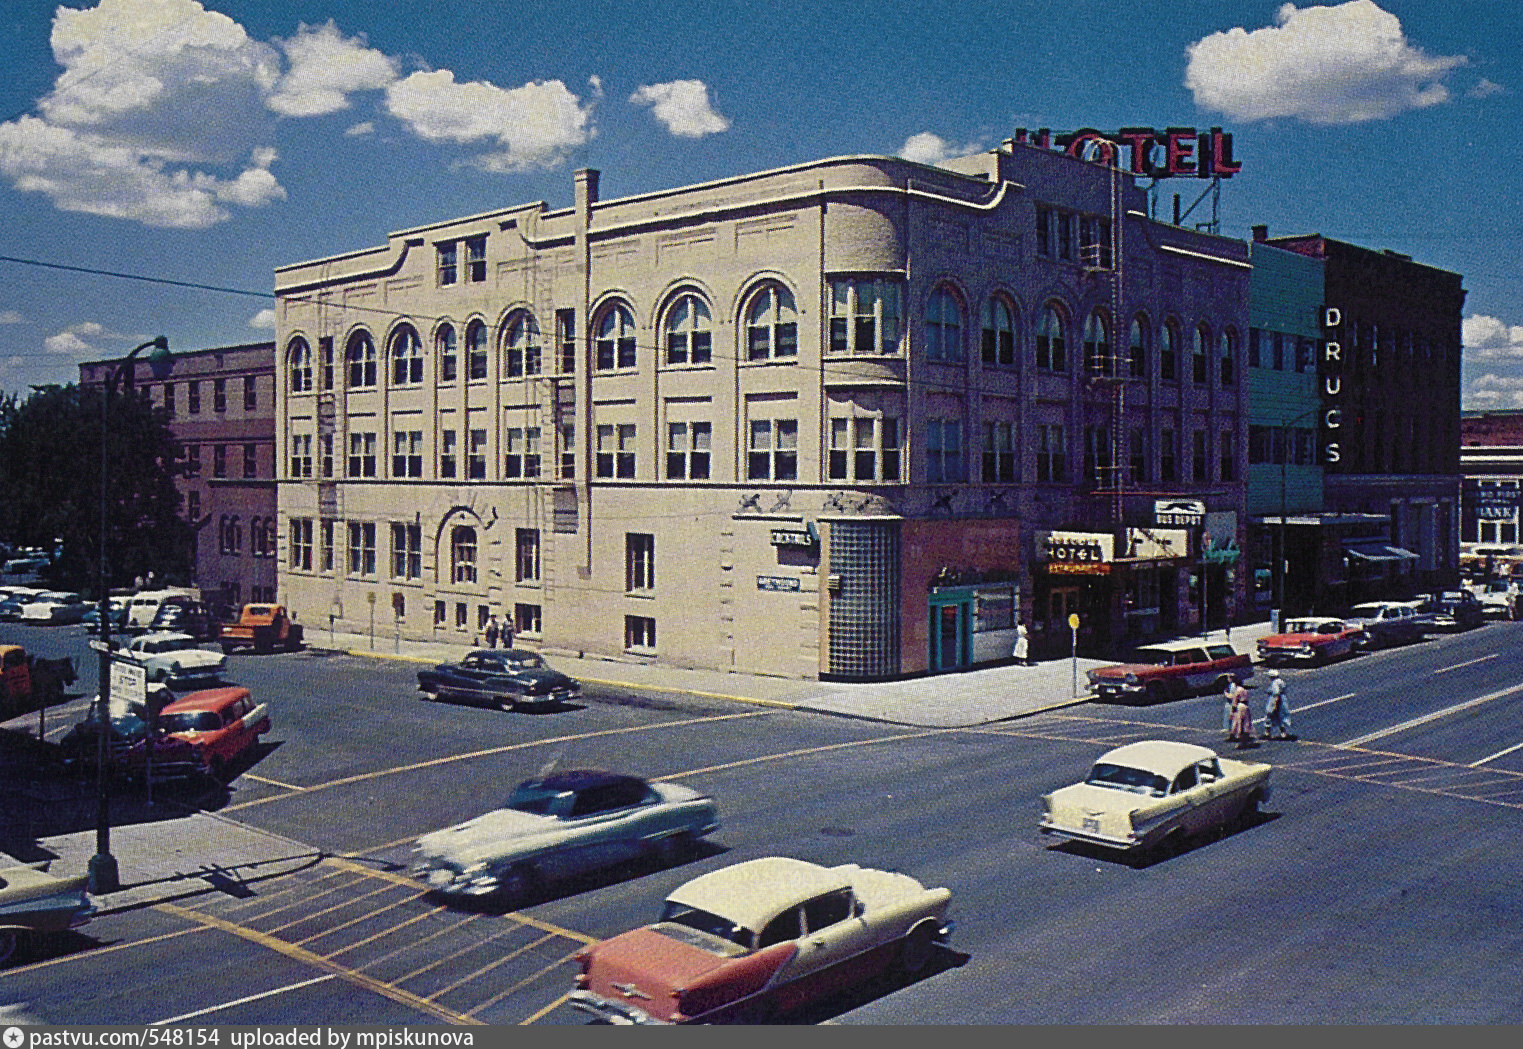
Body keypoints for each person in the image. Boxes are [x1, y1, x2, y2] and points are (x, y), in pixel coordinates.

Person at [1263, 669, 1293, 739]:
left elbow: (1276, 693)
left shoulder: (1274, 683)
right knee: (1281, 716)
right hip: (1283, 700)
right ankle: (1283, 733)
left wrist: (1275, 704)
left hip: (1274, 700)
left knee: (1269, 715)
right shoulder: (1281, 681)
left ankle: (1267, 733)